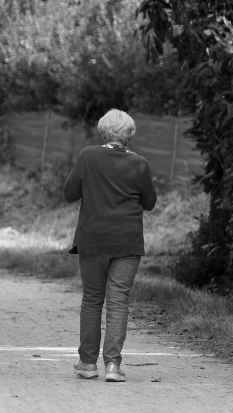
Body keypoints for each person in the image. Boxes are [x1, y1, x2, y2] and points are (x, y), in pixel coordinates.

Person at [63, 109, 157, 382]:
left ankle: (88, 363)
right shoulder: (139, 163)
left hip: (92, 239)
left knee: (93, 299)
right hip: (127, 241)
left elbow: (69, 194)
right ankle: (113, 366)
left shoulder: (88, 156)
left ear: (103, 131)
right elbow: (149, 203)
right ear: (130, 134)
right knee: (119, 302)